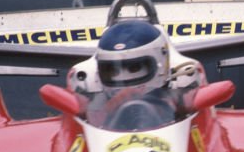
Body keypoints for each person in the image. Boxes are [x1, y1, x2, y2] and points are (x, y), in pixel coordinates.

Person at [67, 19, 203, 130]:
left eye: (135, 67)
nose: (123, 78)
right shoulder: (93, 104)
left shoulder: (183, 90)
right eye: (112, 70)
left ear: (160, 64)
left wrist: (186, 105)